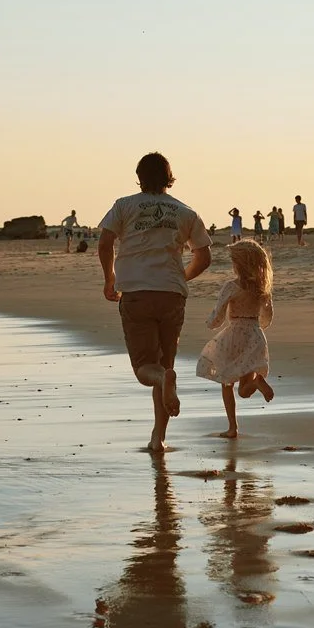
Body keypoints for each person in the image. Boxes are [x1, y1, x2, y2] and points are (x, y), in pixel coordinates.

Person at [98, 152, 211, 454]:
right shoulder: (186, 211)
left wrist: (109, 279)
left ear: (139, 176)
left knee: (146, 370)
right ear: (168, 178)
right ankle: (157, 438)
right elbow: (204, 256)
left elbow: (105, 241)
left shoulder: (124, 205)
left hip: (136, 291)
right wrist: (181, 278)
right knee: (165, 365)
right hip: (171, 293)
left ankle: (163, 386)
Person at [196, 240, 277, 439]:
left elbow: (219, 313)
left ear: (238, 265)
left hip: (234, 337)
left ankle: (233, 427)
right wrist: (261, 327)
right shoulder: (261, 288)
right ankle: (257, 382)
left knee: (227, 383)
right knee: (244, 389)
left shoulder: (231, 287)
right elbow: (268, 313)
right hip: (254, 335)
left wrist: (211, 323)